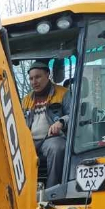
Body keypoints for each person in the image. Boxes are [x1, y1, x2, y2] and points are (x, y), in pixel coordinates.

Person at [21, 60, 71, 188]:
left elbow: (73, 115)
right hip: (29, 141)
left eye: (38, 77)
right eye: (31, 78)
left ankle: (52, 190)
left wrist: (61, 122)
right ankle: (24, 191)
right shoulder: (26, 100)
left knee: (57, 147)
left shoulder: (63, 93)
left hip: (51, 138)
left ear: (48, 75)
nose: (34, 82)